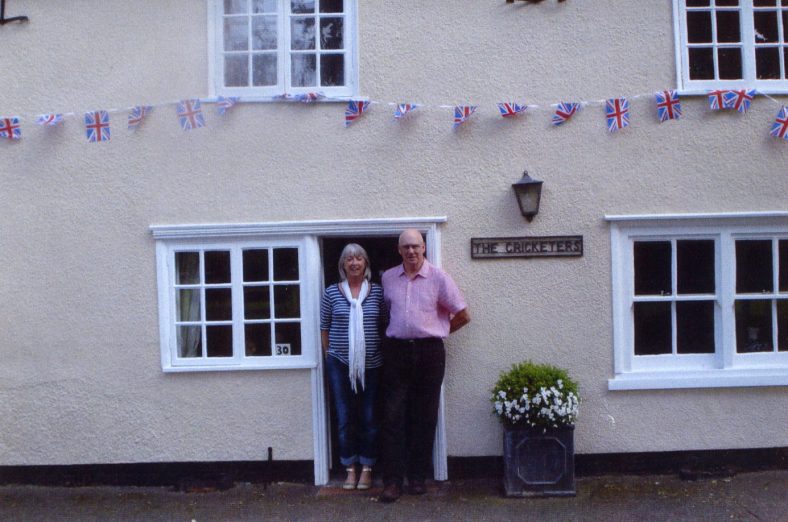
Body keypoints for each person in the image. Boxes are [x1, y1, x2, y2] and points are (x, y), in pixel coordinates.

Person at [378, 229, 470, 503]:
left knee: (424, 416)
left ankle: (417, 478)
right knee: (392, 416)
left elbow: (463, 315)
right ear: (399, 250)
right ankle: (393, 482)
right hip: (396, 352)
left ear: (424, 248)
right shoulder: (388, 278)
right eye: (406, 247)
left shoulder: (439, 278)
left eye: (415, 246)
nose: (411, 251)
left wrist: (439, 331)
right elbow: (386, 313)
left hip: (429, 353)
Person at [320, 243, 385, 490]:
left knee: (369, 416)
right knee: (345, 417)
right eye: (349, 259)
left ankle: (367, 468)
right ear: (342, 265)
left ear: (366, 263)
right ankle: (350, 468)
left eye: (359, 258)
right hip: (340, 364)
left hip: (372, 364)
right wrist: (330, 355)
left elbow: (384, 323)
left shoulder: (377, 293)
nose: (354, 263)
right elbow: (324, 327)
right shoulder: (331, 293)